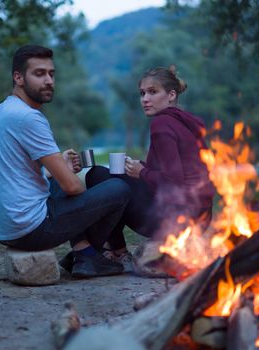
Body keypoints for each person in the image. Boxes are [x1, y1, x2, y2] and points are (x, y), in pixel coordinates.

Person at [0, 44, 131, 278]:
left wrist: (57, 170)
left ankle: (83, 252)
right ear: (18, 78)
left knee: (58, 181)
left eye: (51, 74)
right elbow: (72, 187)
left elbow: (16, 175)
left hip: (3, 228)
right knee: (119, 188)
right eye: (39, 74)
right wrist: (70, 177)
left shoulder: (2, 110)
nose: (49, 80)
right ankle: (88, 256)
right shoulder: (28, 117)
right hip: (29, 230)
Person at [86, 67, 215, 270]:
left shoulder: (161, 123)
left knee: (98, 175)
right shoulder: (185, 123)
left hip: (176, 220)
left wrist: (141, 172)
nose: (145, 99)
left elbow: (175, 182)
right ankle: (110, 249)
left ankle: (118, 252)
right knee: (116, 177)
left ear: (171, 95)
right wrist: (142, 167)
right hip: (201, 218)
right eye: (142, 93)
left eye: (153, 92)